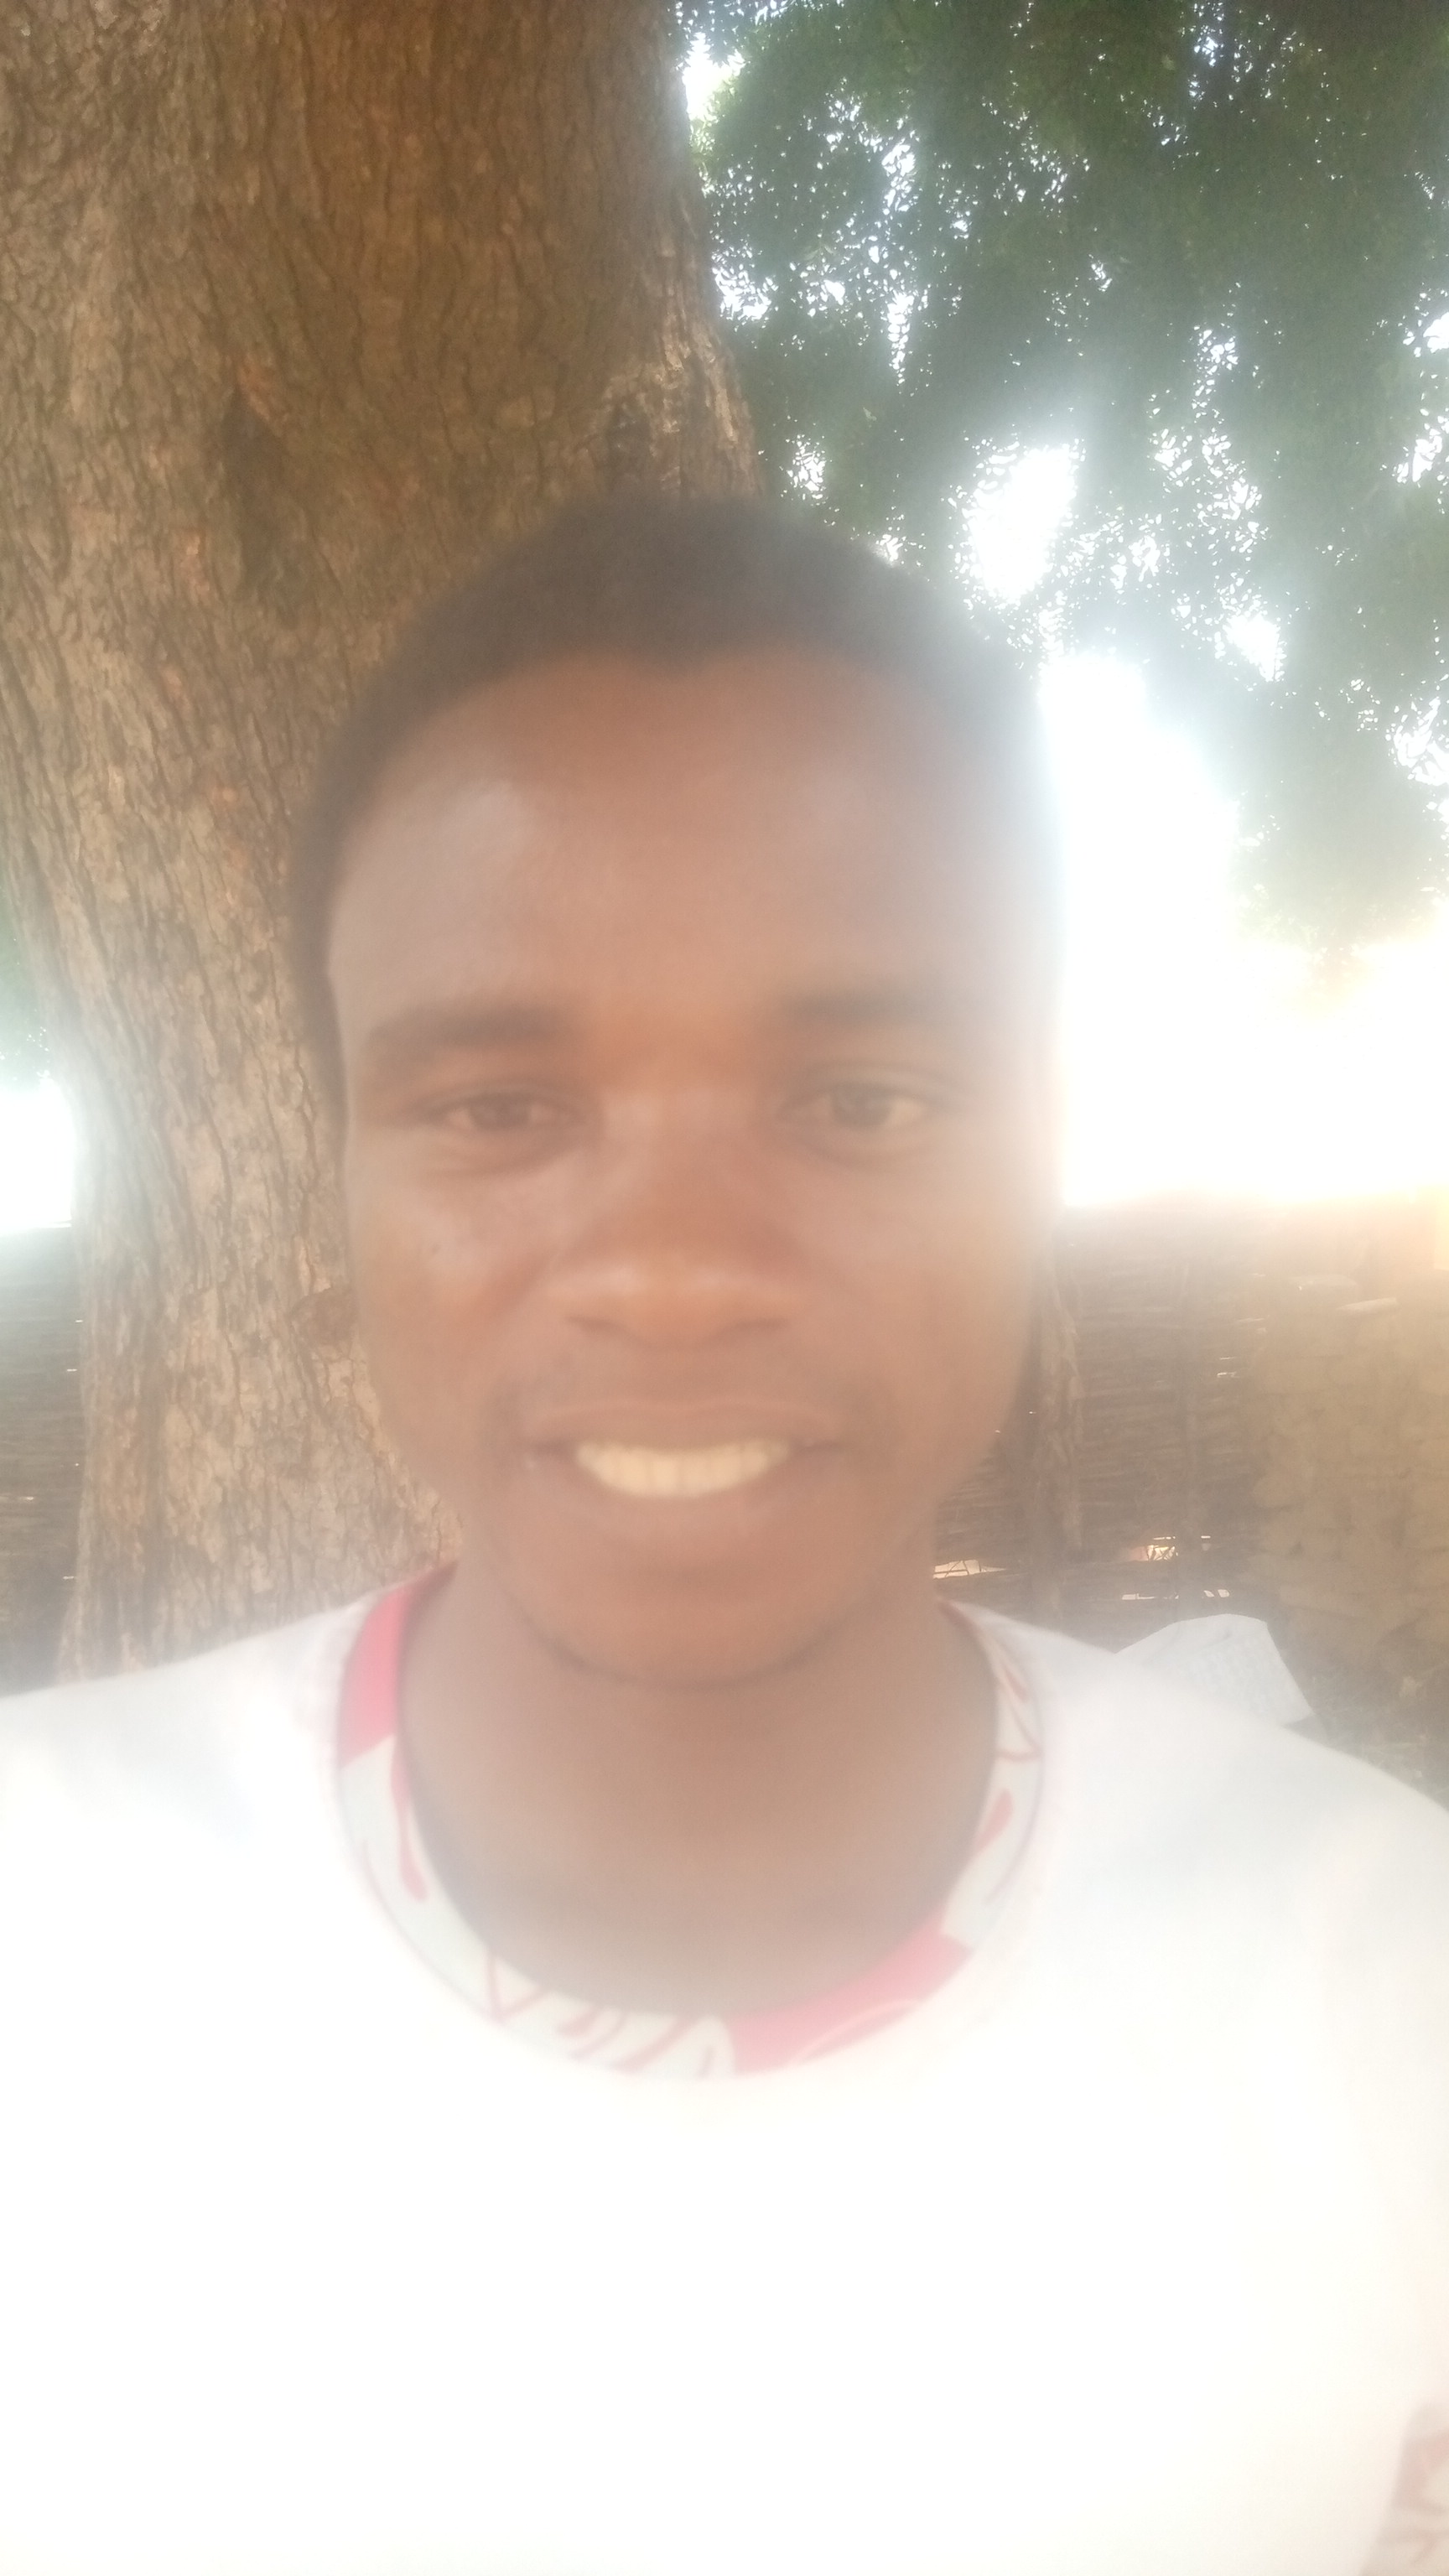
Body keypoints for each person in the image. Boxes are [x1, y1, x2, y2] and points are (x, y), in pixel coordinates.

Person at [1, 496, 1446, 2576]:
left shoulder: (1388, 2000)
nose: (674, 1273)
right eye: (497, 1108)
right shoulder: (43, 1922)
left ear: (1043, 1153)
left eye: (861, 1100)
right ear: (340, 1185)